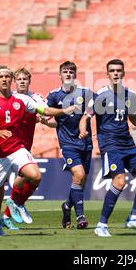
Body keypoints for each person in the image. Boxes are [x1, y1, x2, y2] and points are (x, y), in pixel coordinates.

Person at [0, 65, 76, 236]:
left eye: (8, 76)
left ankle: (17, 203)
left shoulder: (23, 99)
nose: (5, 79)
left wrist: (63, 111)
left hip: (17, 148)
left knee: (35, 175)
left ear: (11, 80)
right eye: (1, 77)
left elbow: (44, 110)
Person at [79, 59, 136, 237]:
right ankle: (101, 225)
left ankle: (133, 218)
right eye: (112, 71)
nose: (116, 73)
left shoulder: (130, 95)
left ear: (124, 73)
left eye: (119, 70)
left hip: (128, 143)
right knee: (119, 181)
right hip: (110, 144)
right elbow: (85, 117)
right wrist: (82, 130)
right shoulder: (100, 96)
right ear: (107, 74)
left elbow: (135, 119)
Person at [0, 67, 55, 230]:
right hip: (11, 145)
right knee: (28, 177)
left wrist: (44, 120)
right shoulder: (9, 98)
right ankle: (15, 206)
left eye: (25, 79)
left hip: (25, 144)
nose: (22, 82)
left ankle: (8, 213)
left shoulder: (36, 98)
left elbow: (49, 118)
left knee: (27, 178)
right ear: (14, 82)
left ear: (29, 81)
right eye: (19, 79)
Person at [47, 61, 93, 229]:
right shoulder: (54, 95)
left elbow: (94, 110)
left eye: (71, 71)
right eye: (65, 72)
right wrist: (63, 111)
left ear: (75, 75)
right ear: (60, 75)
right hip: (67, 143)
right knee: (79, 175)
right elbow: (46, 112)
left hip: (86, 142)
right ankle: (80, 216)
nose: (68, 74)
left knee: (81, 180)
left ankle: (67, 206)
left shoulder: (86, 93)